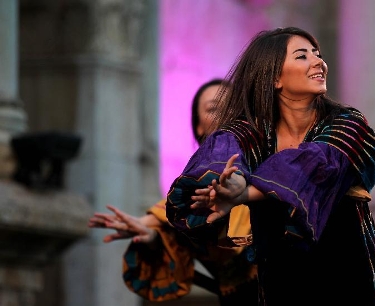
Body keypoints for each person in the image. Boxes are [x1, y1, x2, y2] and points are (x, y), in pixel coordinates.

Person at [165, 27, 375, 305]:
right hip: (281, 291)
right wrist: (224, 186)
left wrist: (245, 192)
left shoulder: (348, 123)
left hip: (352, 288)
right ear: (275, 76)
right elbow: (214, 160)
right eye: (302, 56)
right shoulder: (249, 134)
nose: (318, 62)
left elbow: (313, 164)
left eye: (318, 54)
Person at [88, 79, 259, 306]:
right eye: (213, 108)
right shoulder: (190, 197)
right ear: (199, 126)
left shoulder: (272, 165)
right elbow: (169, 222)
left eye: (233, 107)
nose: (225, 114)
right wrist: (150, 236)